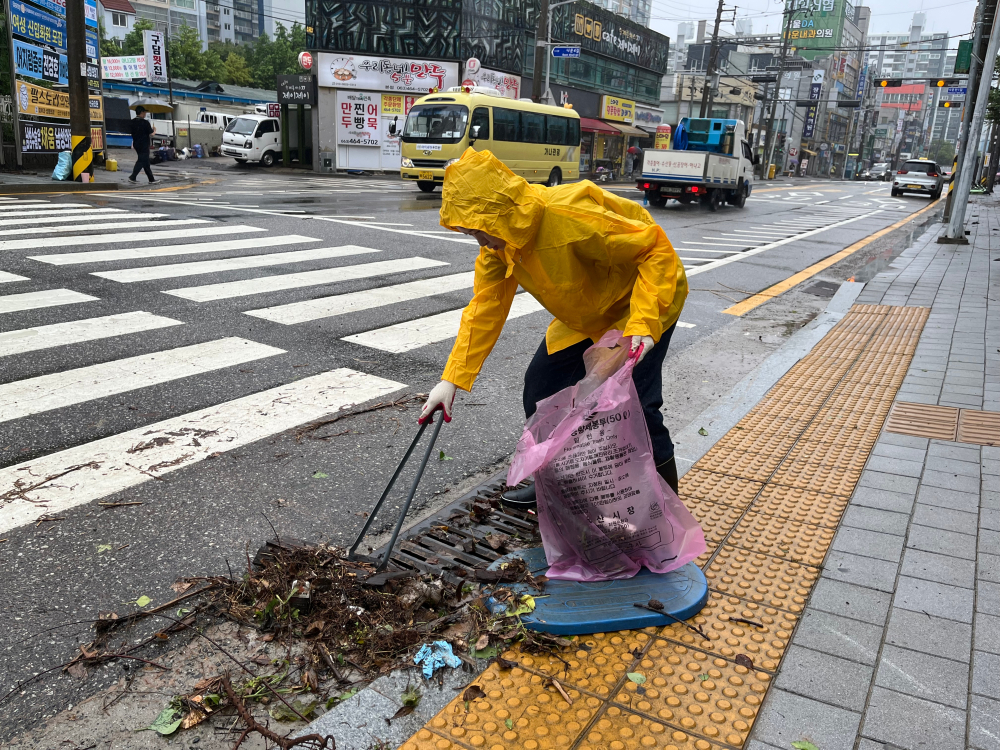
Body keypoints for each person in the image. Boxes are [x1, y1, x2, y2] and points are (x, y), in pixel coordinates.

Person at [418, 148, 688, 503]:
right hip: (584, 317)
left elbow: (655, 252)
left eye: (480, 231)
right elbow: (486, 306)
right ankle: (557, 482)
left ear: (502, 215)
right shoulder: (500, 247)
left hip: (640, 306)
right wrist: (451, 380)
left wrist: (645, 322)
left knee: (638, 406)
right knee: (541, 388)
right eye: (471, 234)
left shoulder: (569, 215)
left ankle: (666, 508)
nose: (480, 242)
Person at [129, 106, 156, 184]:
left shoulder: (132, 122)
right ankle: (132, 177)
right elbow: (151, 134)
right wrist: (154, 130)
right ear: (141, 113)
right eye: (144, 112)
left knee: (146, 162)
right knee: (141, 160)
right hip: (144, 144)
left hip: (136, 143)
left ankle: (151, 179)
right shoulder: (145, 122)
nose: (145, 114)